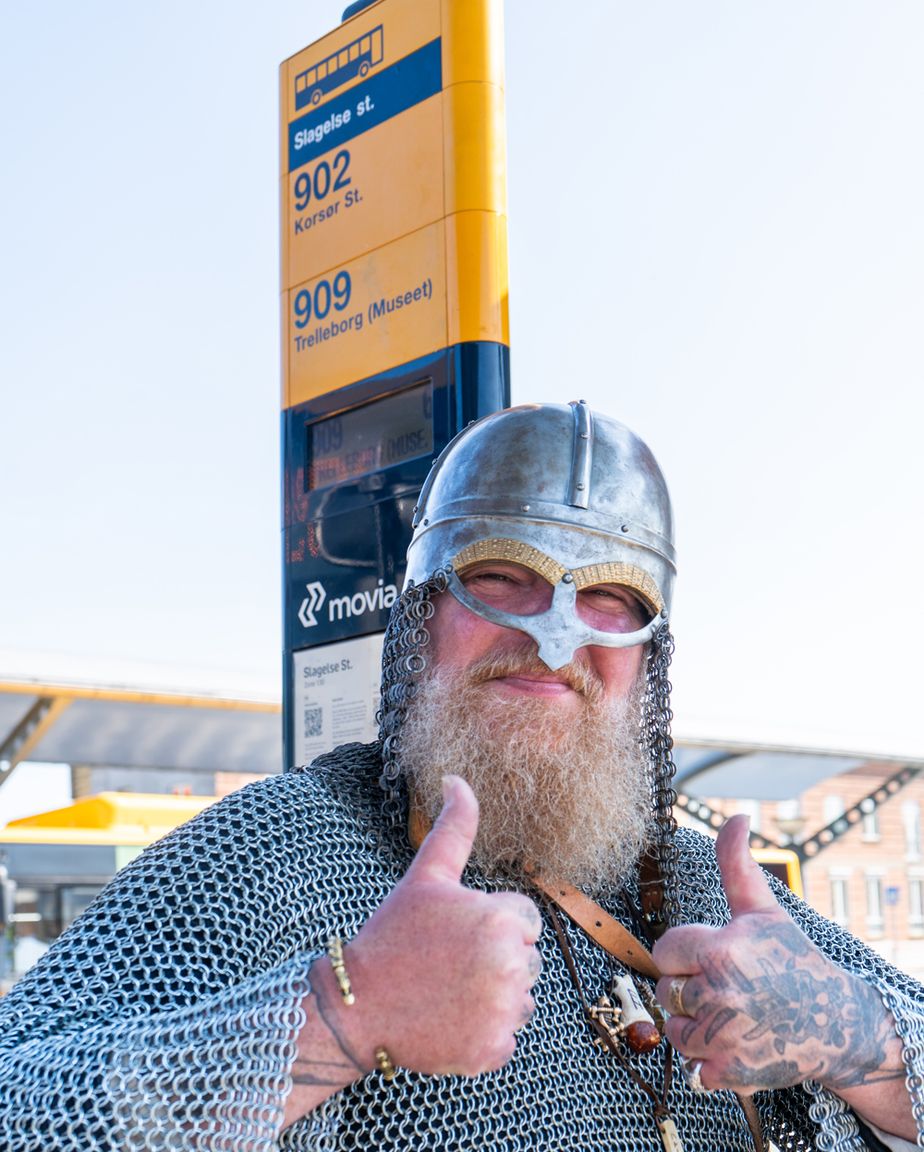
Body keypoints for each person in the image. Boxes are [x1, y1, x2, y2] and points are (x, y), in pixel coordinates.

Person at [1, 401, 921, 1152]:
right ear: (424, 615)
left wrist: (860, 1040)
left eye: (609, 597)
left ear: (651, 656)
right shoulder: (280, 856)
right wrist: (341, 1013)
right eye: (502, 576)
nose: (555, 632)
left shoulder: (710, 893)